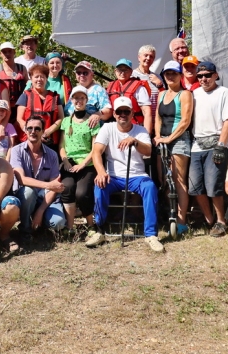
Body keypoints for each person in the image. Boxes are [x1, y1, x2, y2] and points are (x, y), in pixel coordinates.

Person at [86, 96, 164, 253]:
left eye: (126, 111)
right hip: (113, 176)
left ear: (132, 113)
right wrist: (101, 172)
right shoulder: (107, 128)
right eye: (119, 111)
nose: (122, 114)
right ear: (114, 114)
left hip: (137, 176)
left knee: (150, 187)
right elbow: (97, 152)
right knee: (100, 185)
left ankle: (151, 235)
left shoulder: (140, 130)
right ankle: (100, 230)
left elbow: (148, 151)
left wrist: (135, 141)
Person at [190, 60, 228, 236]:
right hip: (197, 144)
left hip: (216, 143)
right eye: (200, 76)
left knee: (214, 185)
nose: (204, 79)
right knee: (195, 185)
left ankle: (221, 221)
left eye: (208, 75)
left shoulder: (223, 92)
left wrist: (221, 145)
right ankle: (209, 219)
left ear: (215, 75)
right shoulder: (194, 94)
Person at [154, 61, 194, 236]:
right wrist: (158, 136)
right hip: (162, 140)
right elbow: (158, 118)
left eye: (174, 73)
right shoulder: (162, 94)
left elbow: (185, 120)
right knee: (164, 179)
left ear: (180, 75)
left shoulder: (185, 94)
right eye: (167, 73)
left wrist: (169, 138)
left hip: (179, 139)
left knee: (178, 180)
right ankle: (170, 214)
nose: (170, 76)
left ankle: (182, 220)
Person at [10, 115, 67, 238]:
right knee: (28, 192)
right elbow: (22, 179)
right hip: (25, 197)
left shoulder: (52, 154)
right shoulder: (16, 151)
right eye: (29, 128)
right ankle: (25, 230)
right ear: (25, 130)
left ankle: (39, 222)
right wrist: (48, 185)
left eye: (37, 129)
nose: (33, 131)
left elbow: (54, 187)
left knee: (58, 223)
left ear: (43, 131)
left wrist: (40, 211)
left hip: (44, 198)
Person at [59, 86, 99, 232]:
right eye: (76, 98)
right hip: (69, 163)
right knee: (67, 187)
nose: (79, 101)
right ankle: (70, 227)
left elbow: (95, 148)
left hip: (87, 164)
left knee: (82, 193)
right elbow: (61, 145)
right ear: (71, 100)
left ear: (86, 100)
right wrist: (65, 161)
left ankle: (91, 225)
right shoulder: (66, 121)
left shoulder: (92, 121)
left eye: (82, 98)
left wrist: (82, 164)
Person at [15, 64, 64, 144]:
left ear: (46, 79)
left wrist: (48, 131)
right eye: (36, 77)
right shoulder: (25, 96)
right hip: (29, 140)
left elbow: (61, 117)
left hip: (49, 141)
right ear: (31, 79)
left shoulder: (55, 96)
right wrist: (32, 132)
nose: (39, 79)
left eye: (42, 77)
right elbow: (19, 119)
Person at [107, 58, 153, 134]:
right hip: (115, 128)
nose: (122, 73)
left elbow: (147, 112)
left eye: (126, 70)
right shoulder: (110, 86)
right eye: (120, 70)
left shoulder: (139, 88)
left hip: (135, 127)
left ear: (131, 72)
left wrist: (146, 135)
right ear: (115, 71)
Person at [68, 61, 112, 127]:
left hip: (91, 130)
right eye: (79, 73)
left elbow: (108, 111)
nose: (81, 75)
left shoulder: (98, 90)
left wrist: (98, 114)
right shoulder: (75, 90)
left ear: (92, 74)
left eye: (85, 73)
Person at [133, 44, 164, 121]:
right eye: (146, 55)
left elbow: (164, 97)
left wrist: (160, 84)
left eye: (151, 56)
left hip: (156, 120)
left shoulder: (158, 77)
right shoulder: (131, 75)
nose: (148, 58)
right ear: (139, 57)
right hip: (137, 121)